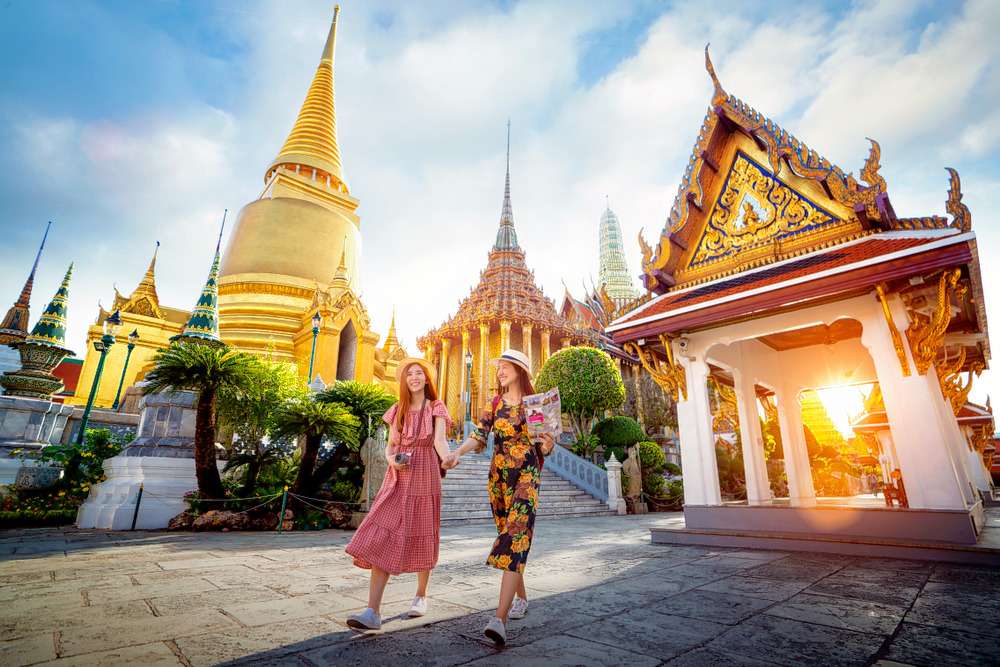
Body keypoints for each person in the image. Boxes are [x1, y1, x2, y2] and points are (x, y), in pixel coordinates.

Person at [451, 349, 555, 646]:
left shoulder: (534, 405)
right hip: (499, 478)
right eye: (499, 368)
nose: (500, 372)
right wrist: (456, 452)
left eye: (506, 367)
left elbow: (544, 448)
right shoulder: (494, 403)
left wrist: (547, 443)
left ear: (520, 371)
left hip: (526, 476)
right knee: (509, 536)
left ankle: (499, 618)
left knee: (514, 536)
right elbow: (480, 435)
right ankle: (521, 597)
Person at [345, 358, 457, 631]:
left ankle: (421, 595)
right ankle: (372, 611)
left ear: (427, 379)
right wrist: (392, 459)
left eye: (419, 373)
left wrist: (448, 458)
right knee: (382, 531)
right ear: (404, 381)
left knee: (423, 529)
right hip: (398, 476)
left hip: (425, 474)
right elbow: (390, 446)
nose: (415, 378)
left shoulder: (436, 408)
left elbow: (440, 441)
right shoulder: (398, 410)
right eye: (410, 374)